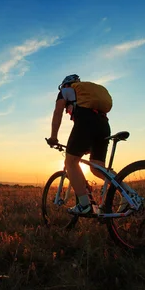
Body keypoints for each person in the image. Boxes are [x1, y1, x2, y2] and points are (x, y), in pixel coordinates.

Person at [46, 74, 112, 214]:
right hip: (103, 124)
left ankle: (84, 205)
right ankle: (128, 195)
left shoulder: (66, 91)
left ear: (65, 85)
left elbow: (57, 112)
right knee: (97, 168)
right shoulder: (86, 95)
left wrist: (53, 137)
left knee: (70, 162)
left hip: (86, 123)